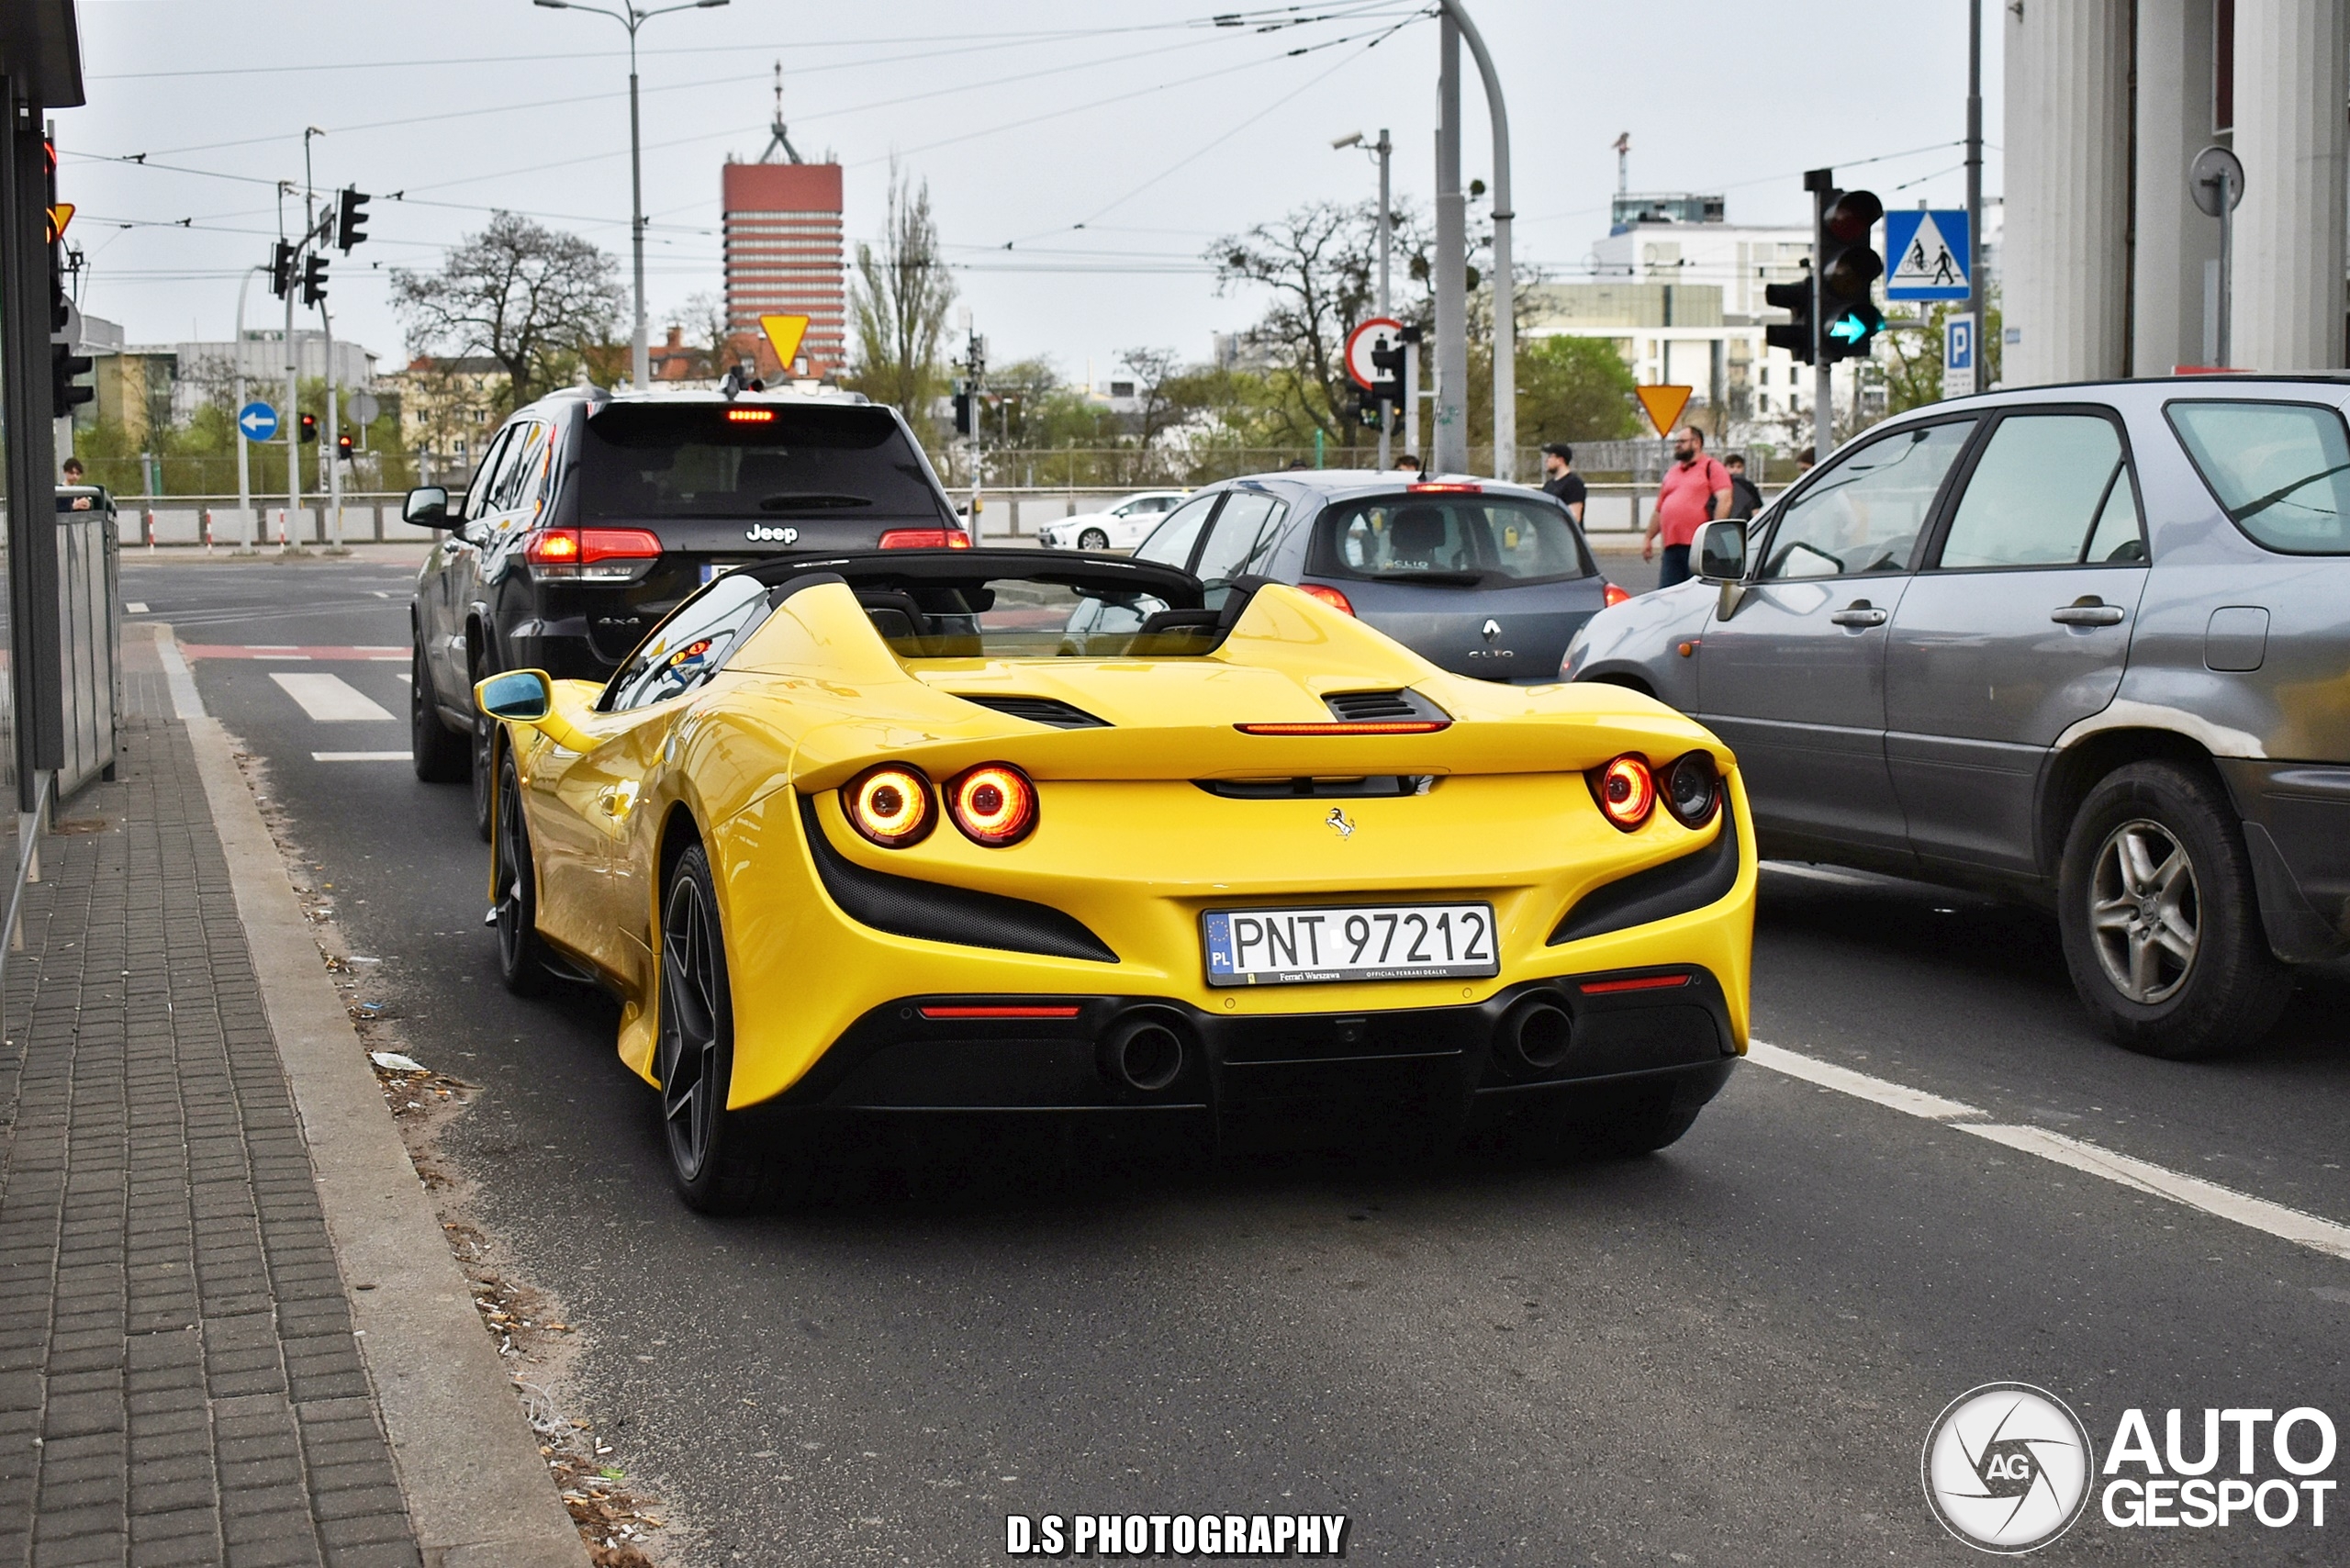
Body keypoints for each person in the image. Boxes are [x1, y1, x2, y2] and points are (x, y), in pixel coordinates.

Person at [1641, 425, 1731, 589]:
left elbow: (1725, 499)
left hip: (1698, 548)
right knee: (1668, 596)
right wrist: (1648, 537)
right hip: (1671, 549)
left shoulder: (1712, 467)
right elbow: (1660, 509)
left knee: (1696, 595)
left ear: (1696, 443)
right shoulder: (1672, 473)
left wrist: (1712, 534)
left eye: (1682, 441)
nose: (1677, 445)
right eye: (1676, 442)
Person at [1539, 442, 1585, 524]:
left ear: (1560, 460)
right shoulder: (1549, 485)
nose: (1547, 460)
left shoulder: (1573, 483)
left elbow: (1574, 517)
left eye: (1550, 456)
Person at [1722, 454, 1764, 521]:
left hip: (1744, 522)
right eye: (1732, 467)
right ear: (1725, 468)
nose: (1735, 470)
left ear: (1743, 468)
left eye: (1739, 467)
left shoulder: (1749, 486)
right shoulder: (1720, 485)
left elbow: (1755, 509)